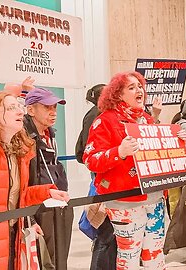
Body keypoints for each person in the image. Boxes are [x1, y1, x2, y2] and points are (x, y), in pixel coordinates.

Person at [83, 71, 186, 270]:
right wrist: (118, 152)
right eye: (131, 87)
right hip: (124, 202)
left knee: (155, 256)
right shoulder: (105, 121)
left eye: (140, 86)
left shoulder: (146, 120)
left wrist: (177, 141)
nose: (139, 89)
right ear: (117, 94)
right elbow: (90, 159)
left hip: (154, 198)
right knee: (129, 256)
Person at [0, 91, 69, 270]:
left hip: (12, 234)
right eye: (11, 108)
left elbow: (17, 196)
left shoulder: (19, 152)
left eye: (19, 107)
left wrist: (46, 192)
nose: (20, 112)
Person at [23, 88, 74, 268]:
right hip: (37, 205)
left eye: (54, 107)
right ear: (31, 110)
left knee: (60, 257)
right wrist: (30, 217)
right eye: (47, 107)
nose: (53, 112)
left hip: (57, 201)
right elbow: (25, 179)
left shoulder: (50, 134)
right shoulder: (23, 137)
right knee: (42, 259)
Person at [75, 84, 118, 270]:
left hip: (111, 177)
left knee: (111, 232)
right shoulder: (96, 115)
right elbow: (88, 152)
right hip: (104, 177)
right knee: (105, 230)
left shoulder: (103, 114)